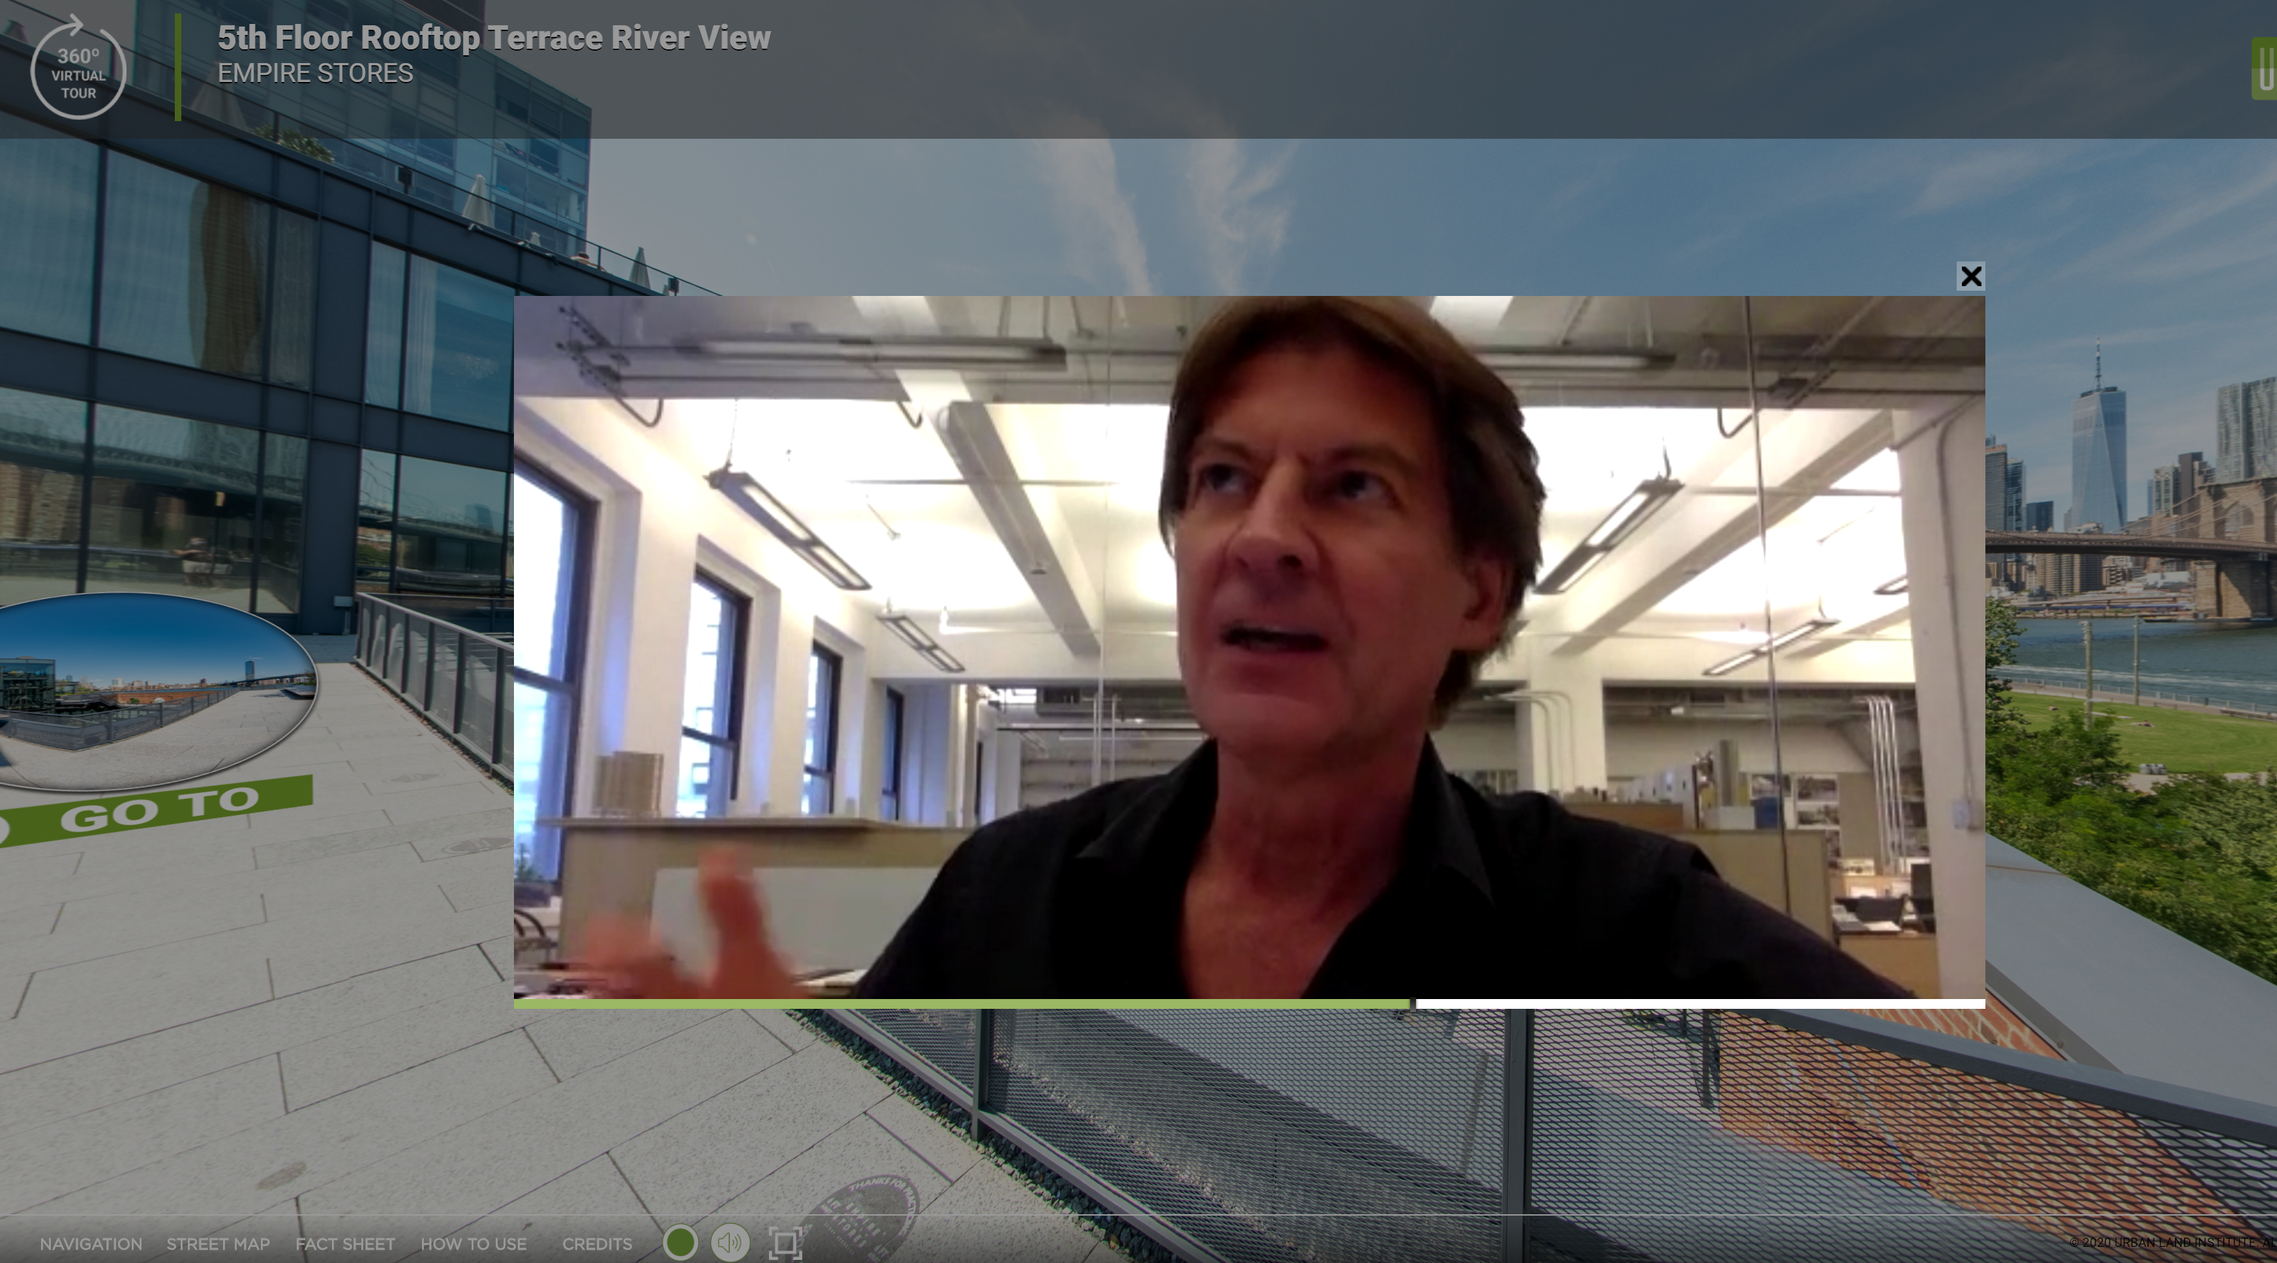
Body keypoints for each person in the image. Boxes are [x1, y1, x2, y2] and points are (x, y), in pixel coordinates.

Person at [580, 297, 1911, 1001]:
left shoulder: (1623, 927)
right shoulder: (1006, 897)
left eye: (1353, 486)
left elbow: (1992, 1133)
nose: (1261, 535)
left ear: (1478, 594)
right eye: (1223, 478)